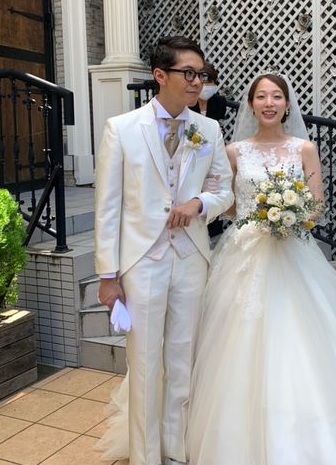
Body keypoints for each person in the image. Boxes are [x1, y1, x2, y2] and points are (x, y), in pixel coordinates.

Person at [187, 73, 336, 464]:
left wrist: (289, 216)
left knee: (302, 339)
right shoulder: (233, 151)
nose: (269, 103)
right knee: (236, 341)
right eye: (261, 96)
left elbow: (316, 204)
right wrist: (253, 215)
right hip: (244, 250)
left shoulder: (304, 148)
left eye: (276, 96)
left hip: (293, 248)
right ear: (251, 104)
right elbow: (229, 205)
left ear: (287, 104)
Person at [94, 36, 234, 465]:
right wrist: (107, 275)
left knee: (182, 360)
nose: (197, 82)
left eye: (200, 74)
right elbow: (108, 207)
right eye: (187, 73)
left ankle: (176, 453)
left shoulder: (208, 129)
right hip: (142, 261)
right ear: (160, 75)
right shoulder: (121, 128)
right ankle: (145, 457)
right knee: (144, 364)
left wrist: (199, 204)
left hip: (191, 257)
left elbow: (225, 191)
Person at [190, 62, 227, 239]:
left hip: (212, 150)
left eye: (209, 81)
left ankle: (213, 226)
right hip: (192, 152)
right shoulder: (188, 103)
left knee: (214, 186)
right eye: (203, 80)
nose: (205, 86)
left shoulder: (219, 102)